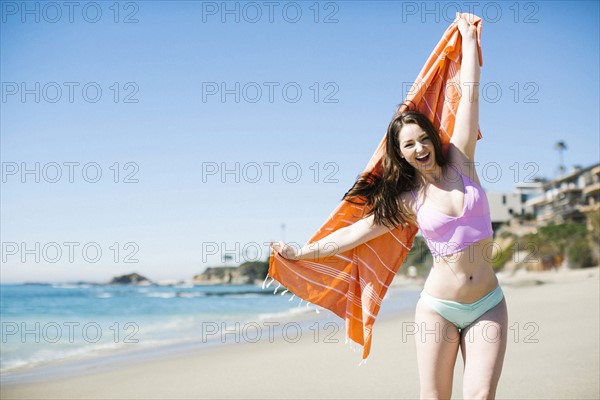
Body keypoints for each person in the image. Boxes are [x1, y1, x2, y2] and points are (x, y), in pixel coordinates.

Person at [270, 17, 507, 400]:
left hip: (488, 304)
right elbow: (353, 234)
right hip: (439, 308)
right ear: (401, 155)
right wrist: (300, 251)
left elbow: (470, 94)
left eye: (422, 139)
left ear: (433, 138)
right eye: (408, 145)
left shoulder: (462, 162)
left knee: (480, 396)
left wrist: (466, 42)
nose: (419, 148)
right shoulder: (406, 201)